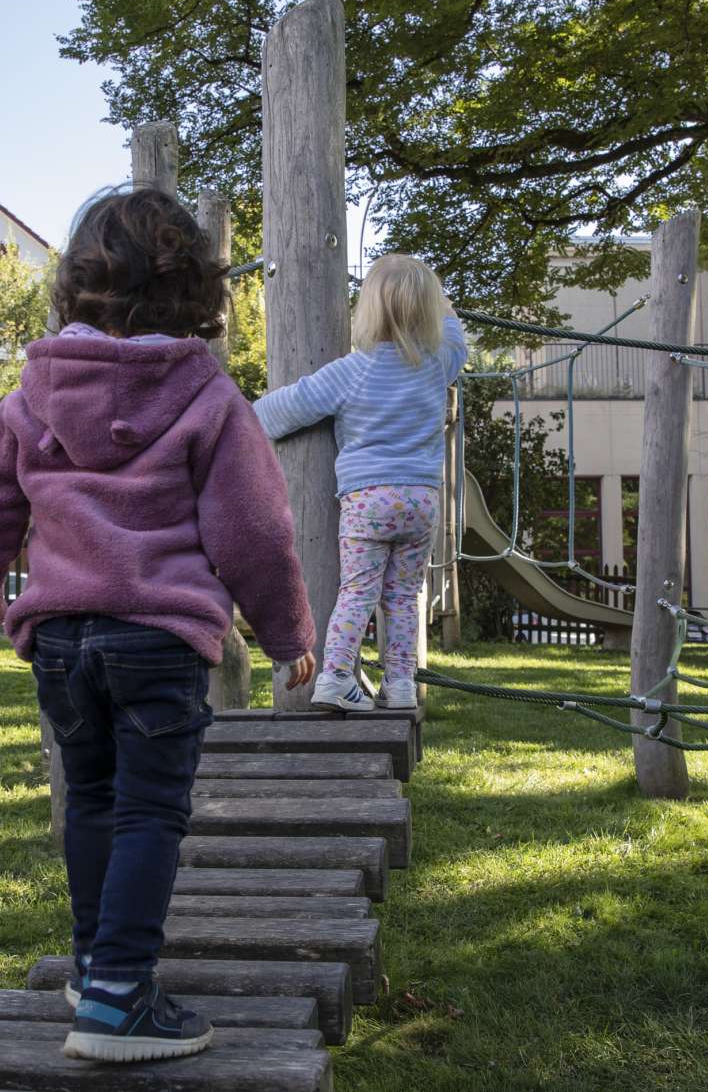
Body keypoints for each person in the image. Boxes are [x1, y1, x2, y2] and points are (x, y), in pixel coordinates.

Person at [0, 187, 316, 1063]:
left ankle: (95, 961)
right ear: (197, 295)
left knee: (93, 799)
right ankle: (118, 998)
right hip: (156, 636)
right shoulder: (205, 394)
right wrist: (289, 631)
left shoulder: (33, 392)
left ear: (76, 285)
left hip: (60, 641)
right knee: (148, 810)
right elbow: (253, 529)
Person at [254, 253, 467, 712]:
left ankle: (334, 680)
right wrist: (442, 307)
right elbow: (456, 338)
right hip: (421, 500)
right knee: (404, 597)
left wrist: (237, 424)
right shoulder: (436, 365)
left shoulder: (352, 370)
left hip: (367, 501)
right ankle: (402, 684)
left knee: (358, 592)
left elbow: (289, 406)